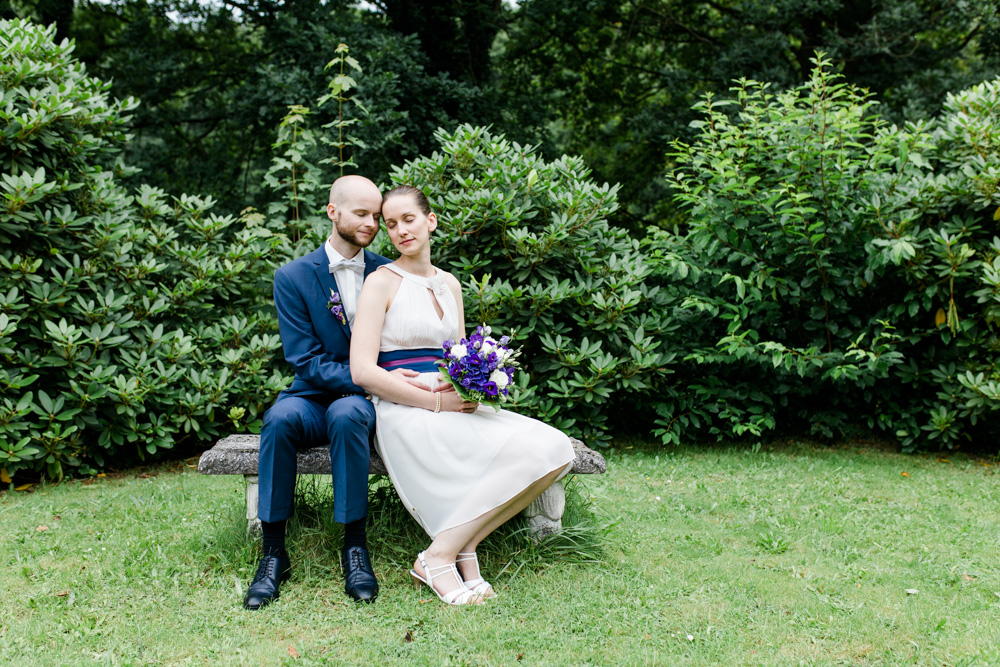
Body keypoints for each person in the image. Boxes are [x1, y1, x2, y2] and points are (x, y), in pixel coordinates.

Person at [350, 185, 575, 606]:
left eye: (409, 219)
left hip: (450, 402)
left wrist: (462, 386)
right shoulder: (380, 283)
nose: (400, 230)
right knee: (529, 454)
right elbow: (362, 371)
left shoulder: (450, 284)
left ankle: (461, 546)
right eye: (391, 224)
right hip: (404, 407)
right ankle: (437, 559)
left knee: (557, 449)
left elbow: (456, 359)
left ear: (430, 221)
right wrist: (434, 399)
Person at [244, 175, 406, 609]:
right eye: (361, 213)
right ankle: (273, 553)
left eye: (376, 215)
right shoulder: (293, 277)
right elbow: (305, 359)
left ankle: (355, 548)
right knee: (278, 419)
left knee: (348, 414)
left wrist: (379, 383)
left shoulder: (390, 273)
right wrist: (366, 374)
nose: (371, 223)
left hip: (360, 402)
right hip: (312, 392)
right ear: (332, 212)